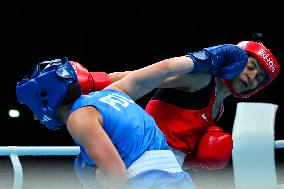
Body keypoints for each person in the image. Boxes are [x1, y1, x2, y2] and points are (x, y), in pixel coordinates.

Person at [16, 44, 247, 189]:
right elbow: (160, 70)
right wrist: (205, 58)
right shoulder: (116, 93)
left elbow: (115, 177)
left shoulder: (79, 118)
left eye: (33, 109)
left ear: (45, 99)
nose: (36, 117)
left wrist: (92, 175)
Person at [69, 40, 281, 171]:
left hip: (165, 166)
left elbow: (178, 147)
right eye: (251, 67)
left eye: (259, 78)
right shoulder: (201, 79)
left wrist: (194, 160)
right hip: (141, 156)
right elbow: (144, 78)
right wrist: (93, 81)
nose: (252, 77)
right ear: (237, 61)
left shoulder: (219, 109)